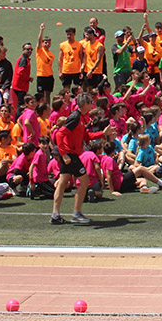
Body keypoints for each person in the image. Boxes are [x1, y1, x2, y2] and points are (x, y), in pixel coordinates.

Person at [50, 93, 113, 225]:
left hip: (70, 154)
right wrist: (64, 154)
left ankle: (55, 214)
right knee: (85, 181)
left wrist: (102, 134)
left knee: (62, 183)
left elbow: (85, 135)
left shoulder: (81, 118)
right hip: (70, 155)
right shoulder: (75, 117)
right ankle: (76, 213)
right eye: (90, 102)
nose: (92, 104)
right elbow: (60, 134)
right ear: (85, 104)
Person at [34, 24, 55, 103]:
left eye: (49, 43)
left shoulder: (52, 55)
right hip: (41, 76)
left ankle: (47, 108)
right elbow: (39, 41)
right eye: (45, 42)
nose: (47, 44)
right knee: (40, 95)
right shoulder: (39, 51)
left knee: (48, 95)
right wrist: (41, 30)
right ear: (42, 43)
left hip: (49, 76)